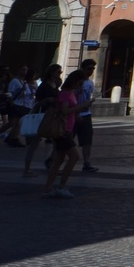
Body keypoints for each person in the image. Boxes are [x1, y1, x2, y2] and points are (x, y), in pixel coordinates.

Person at [41, 70, 87, 199]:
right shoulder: (65, 93)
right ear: (75, 81)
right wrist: (82, 106)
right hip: (63, 130)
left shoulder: (72, 93)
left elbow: (70, 111)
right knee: (74, 157)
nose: (81, 85)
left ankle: (47, 188)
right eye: (80, 82)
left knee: (58, 160)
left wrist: (77, 116)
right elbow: (65, 111)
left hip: (68, 129)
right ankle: (61, 187)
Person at [23, 65, 62, 178]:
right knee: (34, 144)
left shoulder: (55, 85)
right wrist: (47, 100)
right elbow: (37, 102)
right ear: (51, 73)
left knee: (57, 143)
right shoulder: (44, 86)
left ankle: (52, 165)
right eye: (58, 71)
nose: (60, 73)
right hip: (42, 116)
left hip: (52, 116)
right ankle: (27, 169)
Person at [74, 58, 99, 172]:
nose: (91, 71)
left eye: (93, 69)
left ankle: (86, 162)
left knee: (87, 140)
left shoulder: (90, 83)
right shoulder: (75, 82)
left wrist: (89, 102)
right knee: (67, 139)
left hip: (86, 114)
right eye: (89, 68)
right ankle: (53, 160)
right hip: (73, 114)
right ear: (83, 69)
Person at [3, 66, 34, 148]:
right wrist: (11, 102)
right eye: (23, 69)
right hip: (16, 104)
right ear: (18, 70)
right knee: (13, 123)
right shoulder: (15, 81)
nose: (25, 71)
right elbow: (9, 93)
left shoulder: (25, 82)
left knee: (17, 123)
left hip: (23, 105)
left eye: (26, 70)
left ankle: (12, 137)